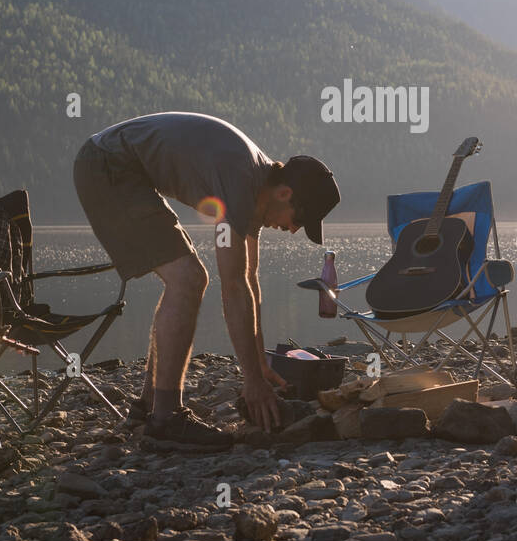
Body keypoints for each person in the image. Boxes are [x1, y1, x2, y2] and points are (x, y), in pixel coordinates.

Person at [73, 112, 340, 446]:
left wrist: (259, 367)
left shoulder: (258, 187)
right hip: (107, 166)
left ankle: (149, 406)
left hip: (122, 167)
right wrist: (252, 383)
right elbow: (232, 286)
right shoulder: (240, 181)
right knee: (188, 279)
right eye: (299, 220)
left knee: (189, 279)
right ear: (285, 194)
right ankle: (165, 418)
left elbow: (249, 280)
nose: (292, 230)